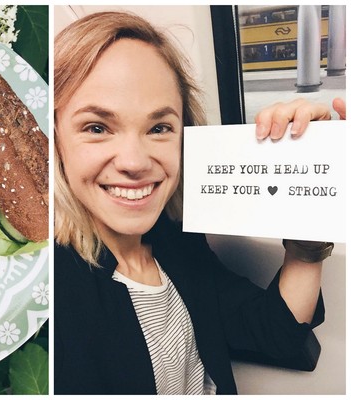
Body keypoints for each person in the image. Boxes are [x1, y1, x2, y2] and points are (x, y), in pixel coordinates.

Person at [54, 11, 344, 395]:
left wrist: (306, 186)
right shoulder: (52, 290)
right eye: (97, 128)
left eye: (159, 128)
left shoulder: (175, 240)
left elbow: (276, 333)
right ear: (53, 137)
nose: (135, 162)